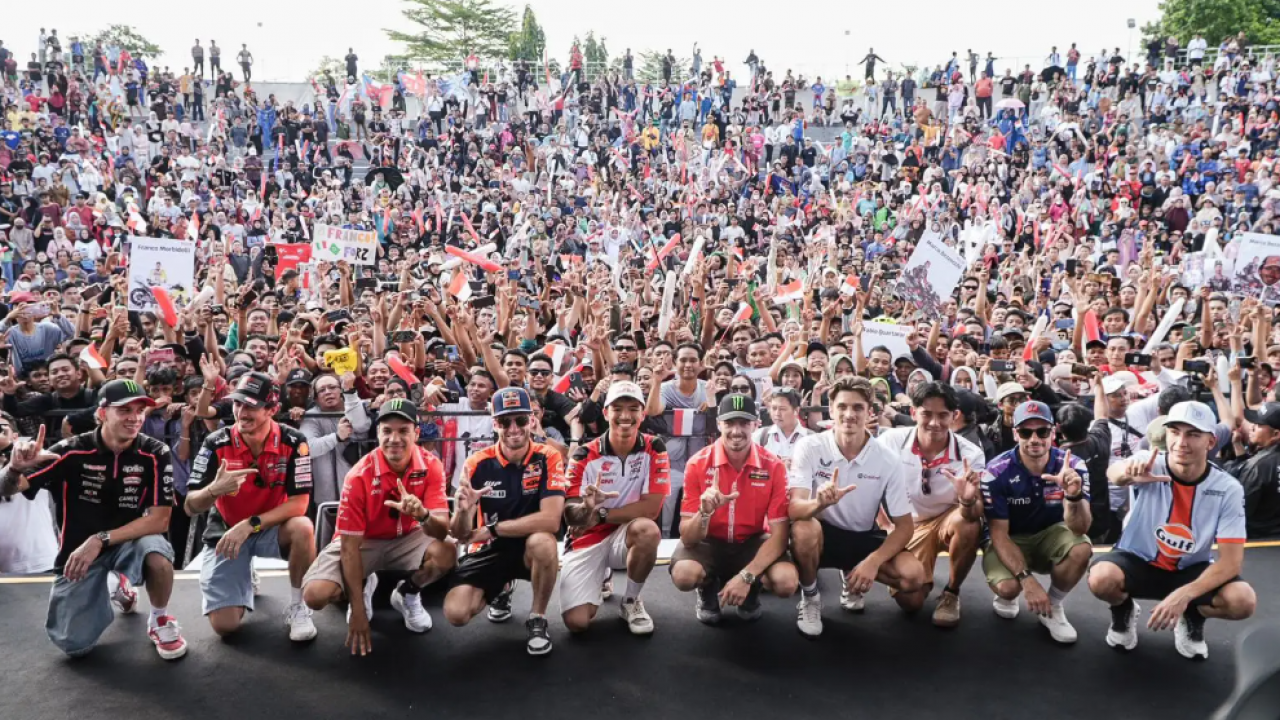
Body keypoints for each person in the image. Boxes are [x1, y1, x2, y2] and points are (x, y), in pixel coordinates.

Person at [0, 380, 187, 659]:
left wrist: (100, 539)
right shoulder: (69, 450)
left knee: (157, 554)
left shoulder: (155, 452)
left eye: (140, 410)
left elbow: (160, 521)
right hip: (77, 553)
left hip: (127, 542)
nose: (134, 417)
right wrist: (13, 468)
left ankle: (159, 618)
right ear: (101, 413)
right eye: (124, 410)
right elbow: (6, 489)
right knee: (73, 644)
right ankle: (119, 589)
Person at [1091, 402, 1257, 660]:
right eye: (1175, 432)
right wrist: (1127, 473)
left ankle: (1194, 614)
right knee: (1101, 578)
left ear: (1210, 442)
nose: (1181, 441)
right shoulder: (1149, 461)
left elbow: (1231, 562)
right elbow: (1113, 473)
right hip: (1138, 558)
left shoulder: (1228, 488)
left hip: (1190, 568)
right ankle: (1122, 608)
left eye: (1193, 434)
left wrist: (1185, 596)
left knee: (1242, 601)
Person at [301, 399, 456, 654]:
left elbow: (441, 531)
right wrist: (359, 614)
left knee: (448, 551)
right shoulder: (358, 475)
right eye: (387, 430)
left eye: (403, 430)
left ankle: (408, 593)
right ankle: (362, 588)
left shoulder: (432, 465)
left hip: (409, 535)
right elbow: (350, 547)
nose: (394, 438)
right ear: (377, 433)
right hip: (364, 541)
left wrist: (423, 515)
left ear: (416, 433)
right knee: (315, 595)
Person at [183, 371, 318, 642]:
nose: (241, 412)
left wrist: (250, 524)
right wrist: (213, 491)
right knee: (225, 627)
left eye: (250, 405)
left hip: (266, 526)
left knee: (303, 527)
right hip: (226, 529)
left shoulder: (295, 442)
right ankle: (241, 572)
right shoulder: (215, 442)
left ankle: (298, 605)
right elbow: (189, 506)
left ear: (272, 410)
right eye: (237, 403)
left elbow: (300, 504)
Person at [788, 377, 925, 637]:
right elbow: (794, 509)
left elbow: (905, 527)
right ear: (831, 409)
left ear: (869, 411)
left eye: (858, 408)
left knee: (913, 579)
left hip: (862, 536)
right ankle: (811, 598)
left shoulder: (887, 459)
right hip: (822, 535)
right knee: (804, 529)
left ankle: (851, 573)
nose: (849, 414)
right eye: (842, 407)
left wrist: (873, 562)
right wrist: (819, 502)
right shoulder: (809, 446)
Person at [443, 387, 566, 656]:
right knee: (456, 613)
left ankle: (538, 617)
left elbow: (552, 520)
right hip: (490, 548)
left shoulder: (549, 456)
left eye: (520, 420)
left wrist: (490, 530)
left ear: (532, 420)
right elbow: (462, 533)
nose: (513, 428)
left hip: (528, 545)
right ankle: (500, 587)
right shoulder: (475, 463)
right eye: (504, 421)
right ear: (494, 423)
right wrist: (463, 512)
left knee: (545, 543)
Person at [670, 393, 799, 624]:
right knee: (684, 575)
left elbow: (779, 537)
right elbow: (688, 538)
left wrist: (747, 576)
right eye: (729, 423)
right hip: (709, 541)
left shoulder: (774, 466)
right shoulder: (697, 463)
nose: (736, 431)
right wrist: (704, 513)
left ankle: (752, 588)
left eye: (744, 423)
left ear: (756, 424)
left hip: (751, 541)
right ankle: (707, 589)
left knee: (786, 581)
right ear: (719, 424)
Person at [560, 381, 669, 635]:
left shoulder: (655, 447)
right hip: (588, 537)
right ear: (606, 412)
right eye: (617, 408)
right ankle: (603, 574)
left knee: (648, 530)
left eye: (633, 408)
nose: (625, 416)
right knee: (577, 623)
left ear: (642, 414)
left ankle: (630, 601)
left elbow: (651, 508)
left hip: (625, 532)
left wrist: (599, 514)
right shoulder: (583, 455)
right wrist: (585, 509)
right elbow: (572, 515)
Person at [980, 401, 1093, 644]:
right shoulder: (996, 471)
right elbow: (999, 533)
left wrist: (1073, 495)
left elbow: (1081, 528)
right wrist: (1027, 581)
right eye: (1025, 432)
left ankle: (1052, 606)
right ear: (1015, 433)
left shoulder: (1074, 466)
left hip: (1050, 534)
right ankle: (1010, 593)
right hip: (1010, 537)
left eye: (1042, 431)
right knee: (1009, 588)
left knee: (1082, 547)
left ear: (1054, 432)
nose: (1034, 439)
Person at [875, 382, 986, 627]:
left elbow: (977, 512)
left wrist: (967, 500)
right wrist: (886, 526)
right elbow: (872, 489)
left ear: (954, 416)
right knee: (911, 604)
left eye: (943, 415)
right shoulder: (890, 442)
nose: (935, 423)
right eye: (927, 414)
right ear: (914, 413)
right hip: (906, 523)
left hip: (946, 517)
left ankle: (951, 593)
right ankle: (917, 573)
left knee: (967, 523)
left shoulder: (972, 454)